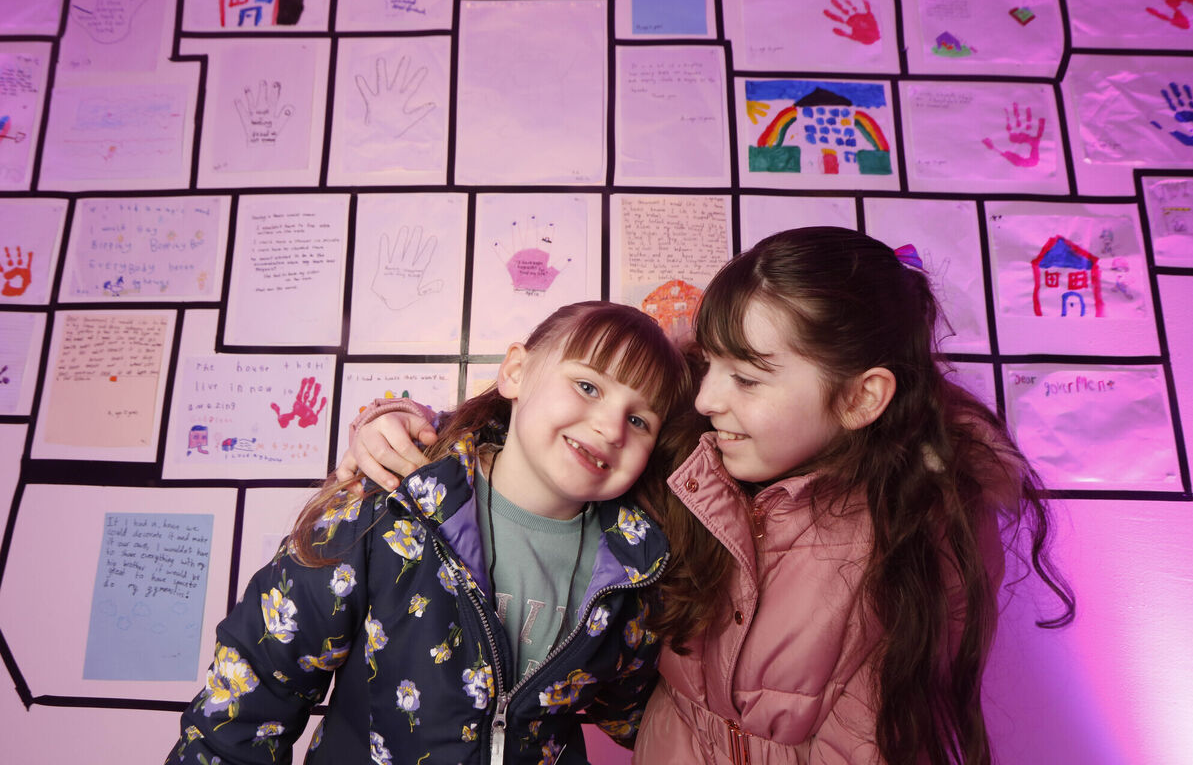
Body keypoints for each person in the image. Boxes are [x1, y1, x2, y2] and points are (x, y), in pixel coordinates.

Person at [342, 227, 1075, 765]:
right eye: (711, 364)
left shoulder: (921, 525)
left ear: (861, 398)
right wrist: (415, 426)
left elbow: (878, 739)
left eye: (748, 379)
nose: (710, 395)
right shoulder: (692, 446)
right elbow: (557, 417)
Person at [167, 301, 697, 765]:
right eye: (587, 386)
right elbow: (255, 684)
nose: (609, 426)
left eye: (639, 421)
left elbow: (641, 714)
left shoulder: (635, 567)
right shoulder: (391, 505)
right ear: (515, 371)